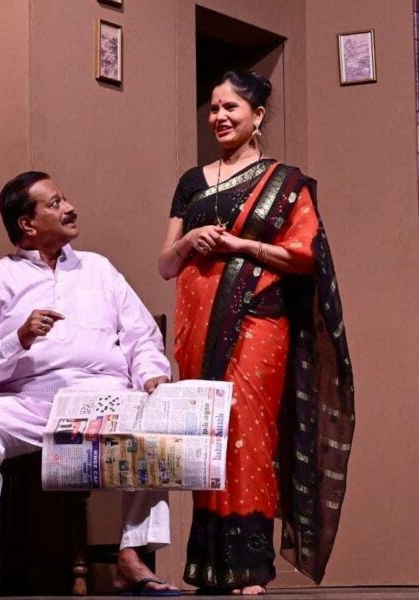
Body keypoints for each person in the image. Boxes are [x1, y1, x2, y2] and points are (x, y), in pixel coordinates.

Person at [158, 70, 355, 595]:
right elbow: (165, 264)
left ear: (258, 116)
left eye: (231, 108)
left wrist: (239, 246)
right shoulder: (191, 182)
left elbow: (304, 256)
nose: (219, 117)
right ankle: (209, 566)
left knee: (248, 433)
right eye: (214, 108)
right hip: (198, 325)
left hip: (258, 321)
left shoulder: (285, 183)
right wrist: (190, 241)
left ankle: (250, 567)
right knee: (208, 436)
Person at [0, 171, 180, 597]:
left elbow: (142, 336)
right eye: (55, 204)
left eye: (65, 199)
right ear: (27, 224)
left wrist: (151, 374)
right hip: (28, 402)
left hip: (103, 400)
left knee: (157, 422)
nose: (69, 208)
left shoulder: (99, 269)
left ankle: (131, 556)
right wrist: (18, 339)